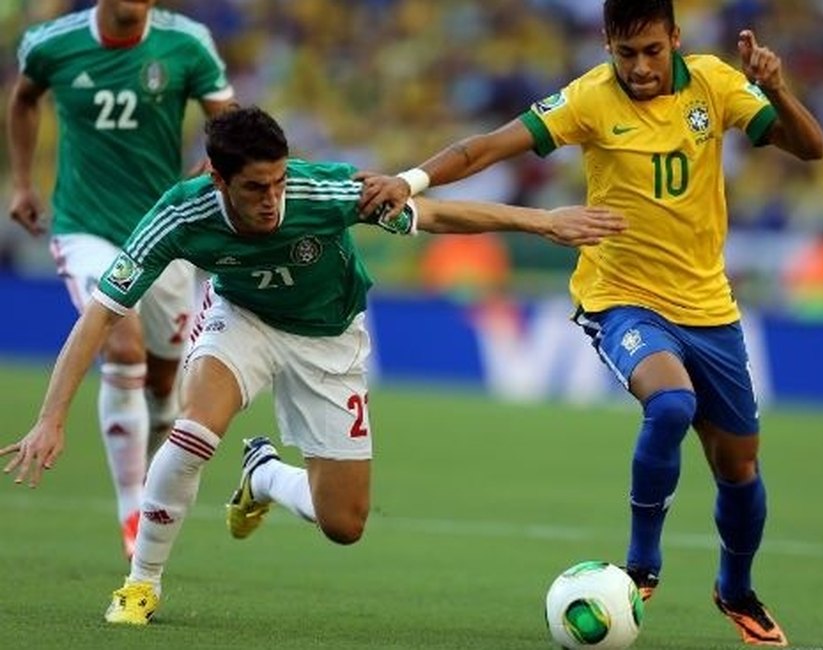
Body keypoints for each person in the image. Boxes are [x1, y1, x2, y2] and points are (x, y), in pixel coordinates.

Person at [0, 105, 626, 625]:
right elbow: (102, 314)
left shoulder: (320, 190)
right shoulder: (178, 214)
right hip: (239, 320)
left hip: (330, 339)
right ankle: (141, 583)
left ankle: (266, 475)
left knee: (345, 524)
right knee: (194, 430)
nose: (273, 198)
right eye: (254, 188)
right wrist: (51, 417)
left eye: (277, 181)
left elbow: (431, 216)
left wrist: (542, 222)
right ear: (217, 178)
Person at [359, 0, 823, 645]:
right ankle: (641, 566)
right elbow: (485, 147)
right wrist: (410, 180)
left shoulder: (716, 83)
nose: (638, 67)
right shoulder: (589, 99)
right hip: (621, 298)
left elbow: (811, 147)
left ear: (675, 40)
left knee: (740, 471)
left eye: (651, 52)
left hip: (710, 307)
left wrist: (774, 87)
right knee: (669, 405)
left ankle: (736, 589)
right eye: (624, 53)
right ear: (607, 44)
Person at [8, 0, 235, 558]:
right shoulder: (51, 43)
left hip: (162, 229)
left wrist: (213, 162)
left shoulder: (186, 44)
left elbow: (228, 121)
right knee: (122, 341)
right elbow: (24, 100)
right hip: (86, 225)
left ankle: (150, 463)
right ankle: (133, 508)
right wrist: (22, 183)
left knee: (163, 384)